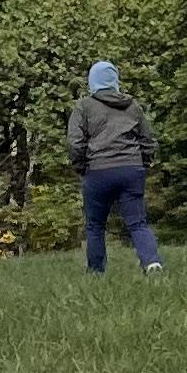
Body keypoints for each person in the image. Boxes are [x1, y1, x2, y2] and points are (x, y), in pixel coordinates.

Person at [66, 59, 165, 275]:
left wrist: (81, 166)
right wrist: (143, 163)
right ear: (115, 80)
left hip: (98, 170)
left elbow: (75, 142)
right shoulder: (132, 106)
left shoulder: (84, 106)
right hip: (131, 169)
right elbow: (147, 140)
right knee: (138, 222)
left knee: (95, 225)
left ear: (92, 82)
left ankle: (96, 272)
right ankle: (152, 262)